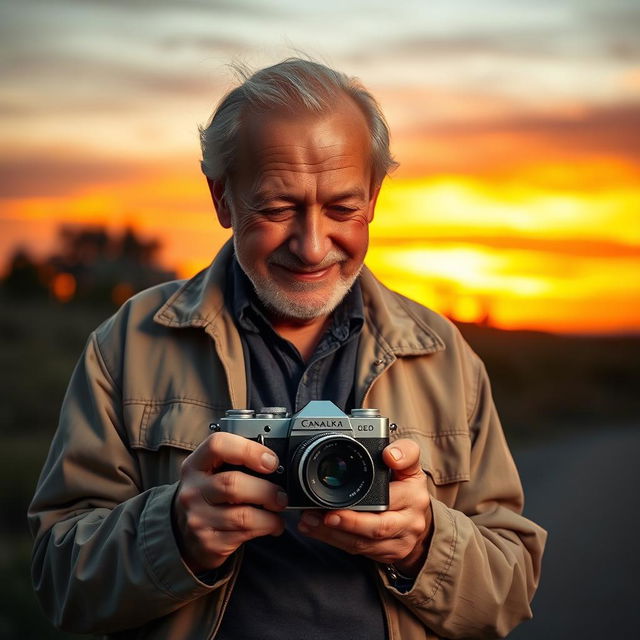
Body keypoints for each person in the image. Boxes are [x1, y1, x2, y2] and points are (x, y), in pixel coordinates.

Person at [29, 58, 546, 640]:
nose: (312, 245)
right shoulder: (130, 342)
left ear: (374, 199)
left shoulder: (443, 353)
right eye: (278, 208)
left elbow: (509, 590)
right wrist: (173, 533)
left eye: (344, 208)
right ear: (223, 199)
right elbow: (58, 582)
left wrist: (424, 543)